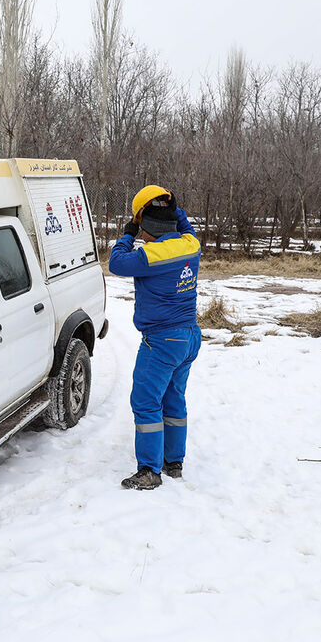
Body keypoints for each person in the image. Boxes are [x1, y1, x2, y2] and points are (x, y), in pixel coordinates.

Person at [108, 185, 203, 490]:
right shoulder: (191, 245)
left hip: (162, 341)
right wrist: (175, 209)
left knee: (146, 402)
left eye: (141, 228)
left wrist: (128, 232)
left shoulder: (149, 255)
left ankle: (149, 471)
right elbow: (184, 224)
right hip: (189, 337)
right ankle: (173, 463)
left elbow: (116, 262)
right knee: (174, 400)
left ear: (145, 227)